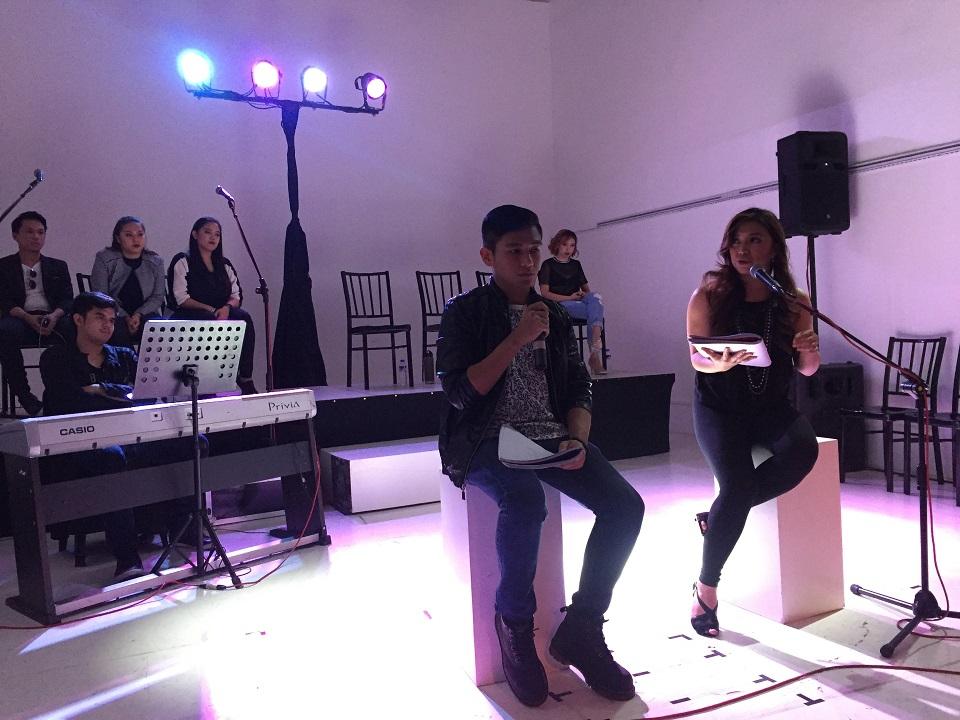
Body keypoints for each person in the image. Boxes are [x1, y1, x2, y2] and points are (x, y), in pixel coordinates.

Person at [437, 205, 644, 706]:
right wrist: (517, 338)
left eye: (533, 250)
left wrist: (577, 438)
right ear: (488, 256)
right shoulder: (465, 312)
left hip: (547, 435)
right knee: (526, 501)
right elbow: (460, 394)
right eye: (515, 251)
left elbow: (578, 385)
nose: (528, 261)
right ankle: (514, 623)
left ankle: (583, 626)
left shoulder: (555, 314)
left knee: (625, 507)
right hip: (484, 439)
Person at [686, 207, 820, 637]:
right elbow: (696, 358)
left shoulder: (794, 301)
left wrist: (810, 349)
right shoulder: (708, 295)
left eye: (754, 240)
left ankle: (718, 516)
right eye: (736, 241)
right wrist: (723, 361)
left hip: (770, 405)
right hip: (719, 406)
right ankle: (706, 590)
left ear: (774, 248)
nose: (742, 249)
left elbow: (807, 369)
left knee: (804, 451)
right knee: (737, 484)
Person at [39, 292, 197, 580]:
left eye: (112, 320)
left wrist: (101, 389)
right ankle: (127, 559)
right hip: (78, 445)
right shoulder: (55, 358)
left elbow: (145, 396)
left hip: (128, 437)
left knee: (193, 443)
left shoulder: (124, 355)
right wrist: (119, 396)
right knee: (111, 457)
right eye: (99, 317)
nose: (108, 325)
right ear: (78, 319)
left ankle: (182, 529)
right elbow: (69, 403)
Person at [166, 217, 257, 394]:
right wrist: (212, 310)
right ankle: (207, 380)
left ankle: (245, 377)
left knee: (243, 317)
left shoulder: (224, 264)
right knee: (208, 320)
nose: (213, 238)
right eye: (207, 232)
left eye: (217, 234)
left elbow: (236, 295)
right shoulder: (183, 261)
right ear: (195, 234)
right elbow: (181, 298)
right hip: (190, 312)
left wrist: (226, 308)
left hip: (220, 311)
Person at [0, 211, 74, 415]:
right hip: (20, 317)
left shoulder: (58, 266)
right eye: (30, 232)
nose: (36, 237)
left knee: (74, 328)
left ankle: (68, 393)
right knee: (5, 331)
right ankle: (24, 396)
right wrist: (27, 317)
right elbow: (4, 301)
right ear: (15, 235)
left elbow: (67, 299)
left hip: (52, 316)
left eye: (41, 232)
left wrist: (54, 316)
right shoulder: (3, 266)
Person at [538, 228, 606, 375]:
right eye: (565, 244)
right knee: (595, 312)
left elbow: (587, 291)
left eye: (572, 245)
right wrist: (570, 297)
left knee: (596, 297)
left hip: (578, 301)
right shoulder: (548, 265)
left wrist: (581, 295)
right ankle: (595, 352)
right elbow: (545, 293)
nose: (568, 249)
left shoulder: (576, 265)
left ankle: (594, 350)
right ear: (557, 244)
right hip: (559, 304)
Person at [90, 216, 166, 346]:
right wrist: (125, 316)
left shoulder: (156, 261)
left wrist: (138, 314)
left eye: (140, 234)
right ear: (118, 238)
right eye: (129, 235)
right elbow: (101, 295)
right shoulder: (104, 258)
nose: (136, 239)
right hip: (112, 312)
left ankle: (148, 361)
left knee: (158, 330)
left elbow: (158, 296)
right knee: (117, 329)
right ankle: (125, 359)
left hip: (145, 313)